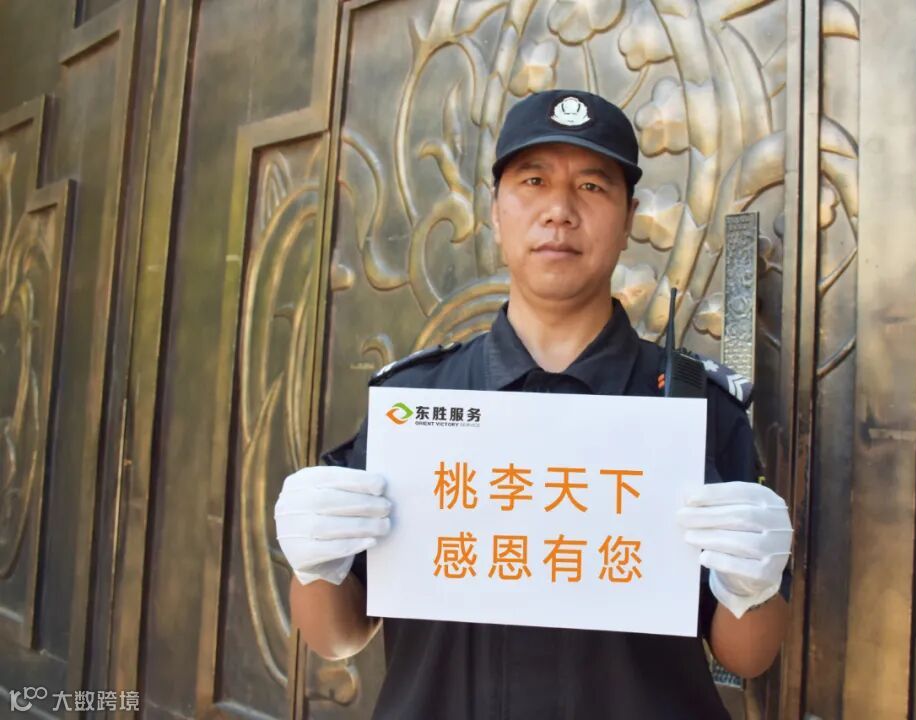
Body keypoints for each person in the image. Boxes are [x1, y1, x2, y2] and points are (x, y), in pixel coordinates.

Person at [274, 89, 793, 719]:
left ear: (628, 218)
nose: (559, 211)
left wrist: (751, 587)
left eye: (592, 187)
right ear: (496, 211)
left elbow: (746, 655)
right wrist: (315, 566)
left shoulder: (694, 408)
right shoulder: (415, 404)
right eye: (534, 181)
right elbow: (339, 636)